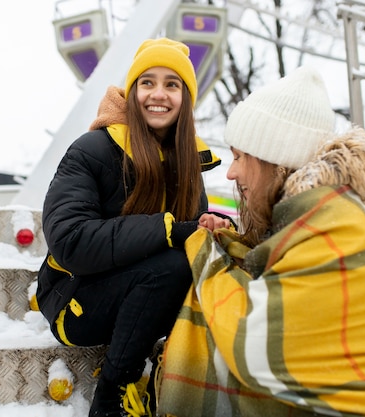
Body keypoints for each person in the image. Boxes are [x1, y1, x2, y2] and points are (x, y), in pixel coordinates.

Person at [157, 66, 365, 417]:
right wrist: (231, 242)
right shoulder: (313, 216)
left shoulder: (336, 224)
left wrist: (206, 253)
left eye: (240, 156)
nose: (231, 171)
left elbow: (258, 346)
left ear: (274, 158)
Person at [36, 37, 231, 417]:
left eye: (172, 84)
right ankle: (110, 398)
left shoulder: (191, 164)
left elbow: (189, 238)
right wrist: (171, 229)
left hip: (147, 299)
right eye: (148, 83)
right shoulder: (92, 150)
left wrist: (207, 228)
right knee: (173, 264)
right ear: (132, 91)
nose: (159, 94)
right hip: (76, 301)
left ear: (185, 98)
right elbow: (69, 240)